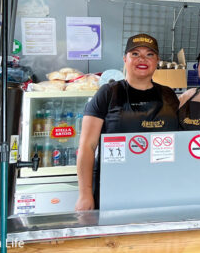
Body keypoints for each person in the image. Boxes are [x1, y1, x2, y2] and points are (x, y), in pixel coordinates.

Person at [75, 33, 179, 211]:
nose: (142, 59)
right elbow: (87, 146)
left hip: (161, 187)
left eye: (149, 54)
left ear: (157, 61)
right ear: (125, 59)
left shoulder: (169, 95)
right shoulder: (108, 93)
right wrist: (85, 194)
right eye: (135, 54)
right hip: (115, 188)